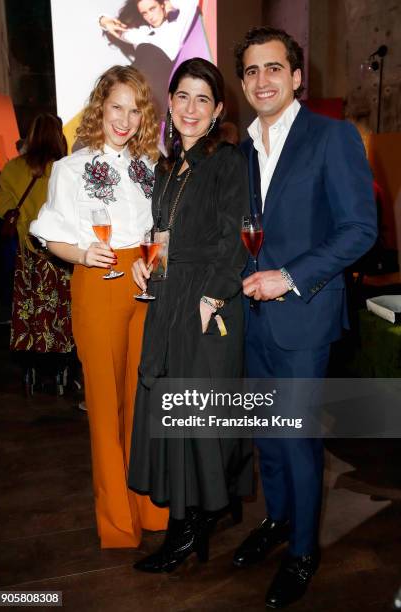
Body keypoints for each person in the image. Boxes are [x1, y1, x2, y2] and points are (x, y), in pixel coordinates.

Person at [233, 27, 377, 608]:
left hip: (304, 315)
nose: (261, 80)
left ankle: (303, 552)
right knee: (267, 436)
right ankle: (278, 522)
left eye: (273, 68)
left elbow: (360, 229)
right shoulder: (239, 149)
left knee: (296, 438)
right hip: (252, 318)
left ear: (296, 76)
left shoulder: (332, 136)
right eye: (250, 71)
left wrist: (289, 276)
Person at [30, 65, 168, 548]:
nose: (125, 119)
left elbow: (161, 232)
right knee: (106, 409)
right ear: (100, 108)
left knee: (144, 403)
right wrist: (83, 252)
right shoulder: (70, 168)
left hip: (143, 288)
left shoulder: (151, 165)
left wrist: (155, 258)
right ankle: (118, 522)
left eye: (134, 110)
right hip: (97, 283)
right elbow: (46, 232)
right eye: (116, 108)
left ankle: (152, 510)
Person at [129, 57, 253, 572]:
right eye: (182, 96)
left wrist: (213, 298)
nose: (191, 108)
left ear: (218, 108)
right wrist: (148, 267)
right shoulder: (167, 167)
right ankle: (193, 523)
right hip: (170, 298)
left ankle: (188, 529)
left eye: (203, 98)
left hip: (207, 304)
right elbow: (166, 236)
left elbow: (238, 239)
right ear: (170, 103)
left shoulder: (227, 162)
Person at [0, 113, 72, 392]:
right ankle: (62, 369)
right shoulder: (64, 168)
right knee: (60, 313)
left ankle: (30, 370)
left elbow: (2, 205)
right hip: (59, 255)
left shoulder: (14, 168)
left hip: (27, 255)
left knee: (29, 312)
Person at [99, 0, 199, 115]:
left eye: (152, 9)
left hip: (156, 86)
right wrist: (103, 20)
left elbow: (191, 2)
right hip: (134, 82)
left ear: (162, 5)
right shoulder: (141, 33)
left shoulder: (177, 26)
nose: (150, 16)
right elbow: (111, 27)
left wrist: (170, 3)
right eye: (144, 13)